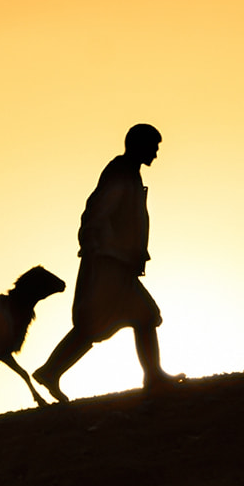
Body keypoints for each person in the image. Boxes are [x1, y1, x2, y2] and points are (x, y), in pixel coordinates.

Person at [31, 123, 182, 402]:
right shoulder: (120, 174)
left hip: (115, 263)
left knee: (127, 318)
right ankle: (153, 376)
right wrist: (99, 250)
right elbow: (96, 213)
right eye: (154, 147)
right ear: (140, 145)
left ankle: (52, 371)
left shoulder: (129, 174)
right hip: (108, 265)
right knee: (125, 319)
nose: (157, 154)